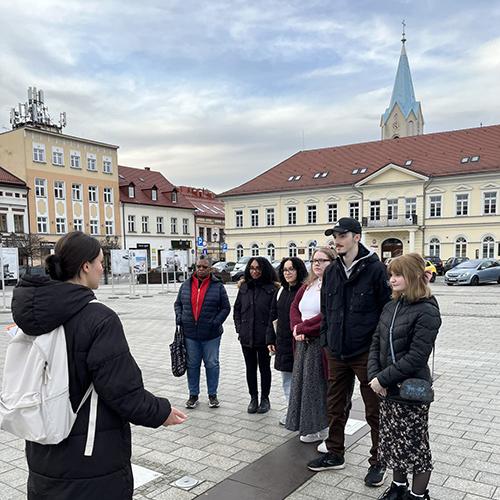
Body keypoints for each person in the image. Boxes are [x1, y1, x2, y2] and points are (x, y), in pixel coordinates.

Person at [11, 231, 187, 500]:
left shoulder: (34, 315)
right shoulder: (98, 318)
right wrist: (160, 412)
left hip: (42, 448)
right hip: (90, 457)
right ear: (85, 267)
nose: (102, 268)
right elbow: (122, 391)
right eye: (100, 262)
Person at [308, 217, 392, 489]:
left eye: (342, 235)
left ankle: (378, 462)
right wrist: (325, 340)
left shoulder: (376, 269)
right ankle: (335, 453)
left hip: (366, 351)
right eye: (334, 235)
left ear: (357, 237)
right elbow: (326, 310)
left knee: (374, 409)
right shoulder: (332, 271)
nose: (337, 239)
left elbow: (385, 312)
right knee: (335, 404)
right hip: (336, 349)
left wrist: (378, 350)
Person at [368, 254, 441, 500]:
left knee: (416, 449)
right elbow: (376, 341)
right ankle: (398, 489)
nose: (392, 280)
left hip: (410, 390)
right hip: (388, 389)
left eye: (397, 274)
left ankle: (417, 495)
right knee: (394, 443)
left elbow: (416, 357)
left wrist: (382, 380)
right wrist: (374, 377)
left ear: (412, 276)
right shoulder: (391, 305)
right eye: (390, 274)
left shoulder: (427, 310)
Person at [286, 247, 336, 442]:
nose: (317, 263)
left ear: (332, 263)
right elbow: (294, 307)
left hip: (319, 343)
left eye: (322, 260)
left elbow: (327, 315)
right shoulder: (308, 284)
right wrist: (296, 328)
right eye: (315, 260)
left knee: (316, 387)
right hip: (302, 343)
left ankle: (323, 428)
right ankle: (308, 427)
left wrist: (303, 328)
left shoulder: (333, 286)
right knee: (303, 386)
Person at [174, 256, 231, 409]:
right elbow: (178, 303)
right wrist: (179, 317)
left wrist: (216, 322)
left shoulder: (217, 286)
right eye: (198, 266)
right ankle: (193, 395)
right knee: (192, 365)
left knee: (212, 364)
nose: (200, 269)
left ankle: (212, 395)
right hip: (190, 334)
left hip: (211, 334)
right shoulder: (186, 285)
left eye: (204, 267)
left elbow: (226, 307)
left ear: (210, 269)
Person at [266, 257, 308, 425]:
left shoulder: (305, 290)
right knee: (287, 381)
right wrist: (270, 338)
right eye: (285, 270)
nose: (288, 273)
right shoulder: (281, 291)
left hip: (300, 342)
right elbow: (272, 316)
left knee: (303, 381)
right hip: (283, 342)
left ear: (299, 270)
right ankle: (292, 412)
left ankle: (303, 415)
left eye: (291, 269)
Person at [234, 257, 278, 414]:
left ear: (264, 269)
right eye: (252, 268)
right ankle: (253, 398)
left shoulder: (272, 289)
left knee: (265, 368)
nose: (255, 271)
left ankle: (265, 399)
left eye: (258, 268)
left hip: (264, 338)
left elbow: (274, 315)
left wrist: (270, 336)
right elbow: (237, 310)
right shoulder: (245, 287)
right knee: (250, 368)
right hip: (246, 336)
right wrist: (239, 329)